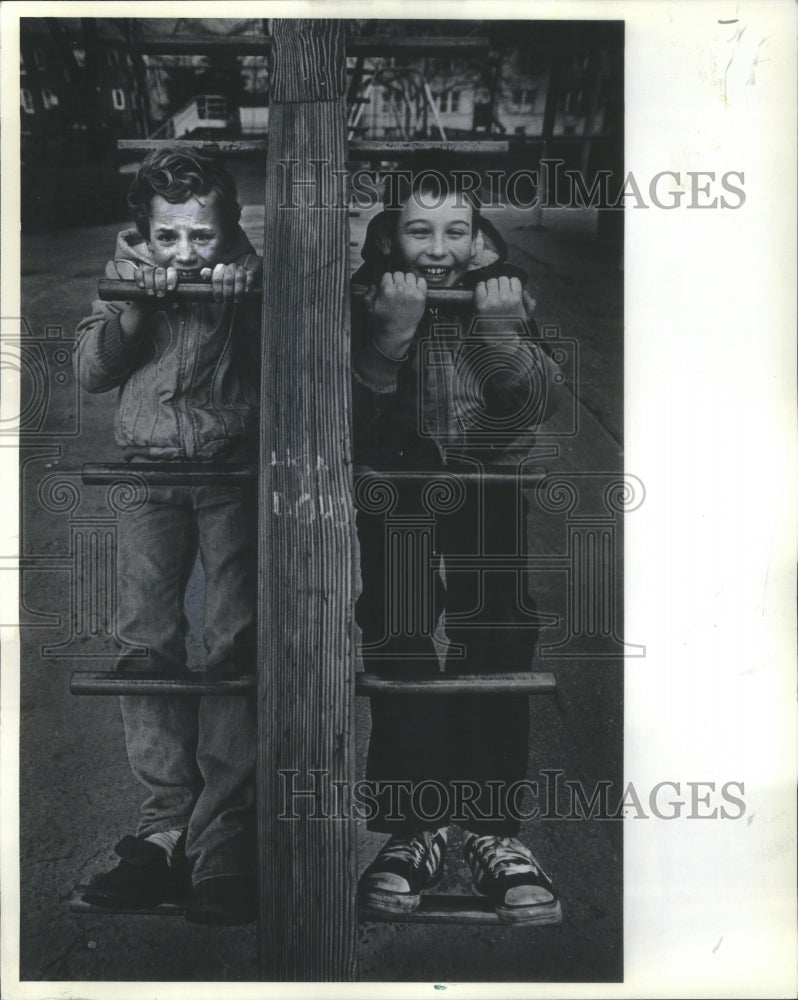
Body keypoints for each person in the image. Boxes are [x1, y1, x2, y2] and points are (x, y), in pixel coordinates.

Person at [352, 164, 563, 925]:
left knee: (499, 630)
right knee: (398, 628)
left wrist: (503, 334)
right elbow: (344, 412)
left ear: (477, 234)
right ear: (390, 233)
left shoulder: (500, 290)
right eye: (419, 229)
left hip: (489, 482)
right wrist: (388, 338)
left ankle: (489, 828)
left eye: (454, 230)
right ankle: (417, 826)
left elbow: (537, 401)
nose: (438, 248)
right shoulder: (369, 292)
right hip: (398, 481)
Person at [74, 148, 261, 926]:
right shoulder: (123, 280)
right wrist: (133, 305)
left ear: (230, 231)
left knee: (231, 642)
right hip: (147, 478)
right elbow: (91, 370)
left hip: (233, 478)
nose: (185, 255)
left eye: (203, 238)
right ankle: (163, 827)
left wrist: (246, 290)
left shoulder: (247, 280)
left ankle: (223, 837)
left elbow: (287, 358)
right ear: (141, 236)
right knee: (145, 639)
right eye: (168, 239)